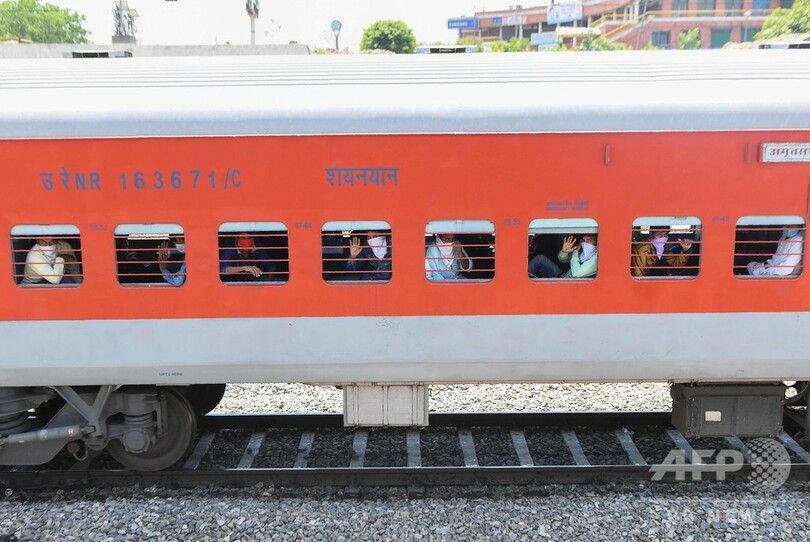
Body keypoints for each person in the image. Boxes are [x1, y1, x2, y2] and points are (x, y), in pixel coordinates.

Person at [631, 227, 696, 277]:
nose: (663, 238)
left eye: (666, 234)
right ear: (651, 234)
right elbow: (638, 276)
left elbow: (676, 264)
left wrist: (685, 250)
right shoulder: (642, 251)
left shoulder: (662, 248)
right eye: (660, 235)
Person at [528, 234, 598, 279]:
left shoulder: (595, 259)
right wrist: (564, 252)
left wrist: (575, 252)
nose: (585, 243)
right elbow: (562, 259)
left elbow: (576, 273)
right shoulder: (582, 253)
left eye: (589, 240)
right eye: (583, 241)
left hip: (568, 286)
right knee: (539, 259)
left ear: (596, 242)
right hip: (563, 277)